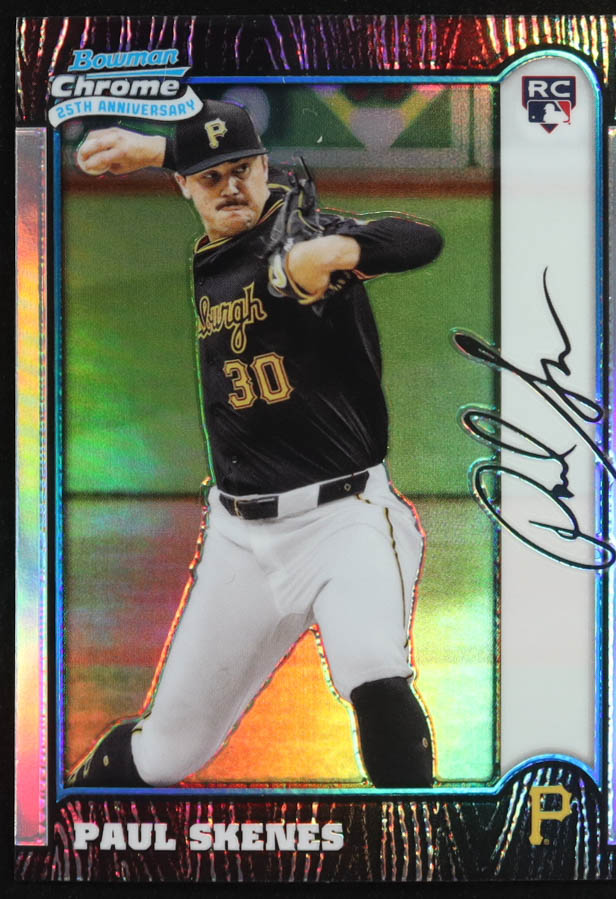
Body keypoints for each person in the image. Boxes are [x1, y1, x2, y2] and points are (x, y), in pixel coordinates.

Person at [69, 100, 443, 789]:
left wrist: (339, 252)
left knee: (374, 671)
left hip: (345, 520)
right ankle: (66, 812)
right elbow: (213, 164)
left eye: (243, 169)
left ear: (266, 167)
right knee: (167, 753)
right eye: (211, 177)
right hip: (238, 539)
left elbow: (421, 239)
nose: (231, 187)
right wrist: (157, 150)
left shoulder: (305, 234)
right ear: (184, 185)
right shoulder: (217, 243)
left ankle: (422, 839)